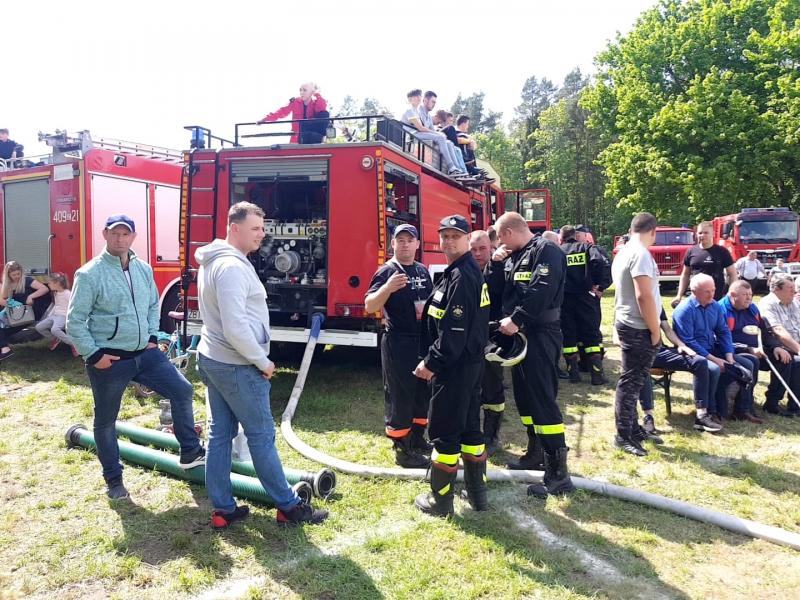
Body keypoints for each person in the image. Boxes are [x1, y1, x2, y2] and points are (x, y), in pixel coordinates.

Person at [195, 202, 328, 527]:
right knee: (261, 435)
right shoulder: (231, 268)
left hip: (215, 357)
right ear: (234, 228)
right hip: (237, 364)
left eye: (262, 227)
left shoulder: (216, 261)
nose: (262, 234)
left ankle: (223, 509)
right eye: (255, 228)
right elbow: (235, 326)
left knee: (220, 434)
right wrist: (261, 360)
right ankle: (289, 506)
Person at [67, 215, 205, 500]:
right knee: (106, 421)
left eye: (125, 234)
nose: (119, 239)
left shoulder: (143, 269)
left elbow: (153, 304)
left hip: (145, 354)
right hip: (111, 360)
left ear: (133, 237)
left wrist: (153, 337)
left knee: (182, 390)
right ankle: (114, 480)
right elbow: (75, 321)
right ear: (104, 234)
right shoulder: (89, 274)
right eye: (114, 233)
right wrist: (94, 355)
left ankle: (190, 451)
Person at [487, 211, 574, 497]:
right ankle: (535, 452)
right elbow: (501, 294)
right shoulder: (513, 256)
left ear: (509, 232)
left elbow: (542, 290)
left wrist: (518, 319)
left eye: (500, 237)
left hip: (540, 333)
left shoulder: (546, 251)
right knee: (524, 398)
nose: (500, 242)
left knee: (542, 398)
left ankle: (558, 473)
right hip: (518, 336)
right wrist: (496, 265)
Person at [413, 215, 490, 516]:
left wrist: (432, 363)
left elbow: (454, 331)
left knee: (445, 433)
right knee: (470, 432)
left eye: (454, 236)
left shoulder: (462, 276)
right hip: (469, 366)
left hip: (454, 368)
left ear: (467, 239)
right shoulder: (458, 272)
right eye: (444, 235)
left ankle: (440, 501)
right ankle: (477, 496)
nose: (447, 241)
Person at [365, 224, 433, 468]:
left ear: (417, 244)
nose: (405, 244)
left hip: (422, 340)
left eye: (409, 240)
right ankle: (402, 450)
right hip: (398, 342)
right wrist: (388, 288)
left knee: (422, 391)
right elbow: (370, 305)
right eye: (400, 240)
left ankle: (417, 439)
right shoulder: (386, 271)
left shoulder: (422, 271)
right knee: (400, 394)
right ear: (393, 244)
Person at [673, 274, 756, 425]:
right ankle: (710, 412)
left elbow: (723, 331)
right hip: (691, 353)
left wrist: (729, 356)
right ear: (694, 291)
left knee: (747, 364)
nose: (712, 294)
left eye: (713, 290)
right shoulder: (684, 310)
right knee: (714, 368)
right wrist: (715, 359)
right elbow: (688, 341)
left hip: (712, 348)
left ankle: (740, 410)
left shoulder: (714, 306)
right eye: (707, 291)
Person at [612, 213, 663, 456]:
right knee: (631, 383)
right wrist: (655, 329)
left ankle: (632, 429)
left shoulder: (623, 251)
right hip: (638, 326)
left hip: (628, 322)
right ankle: (623, 436)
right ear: (653, 231)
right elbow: (644, 295)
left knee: (631, 380)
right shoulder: (640, 254)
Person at [637, 308, 723, 435]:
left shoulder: (656, 302)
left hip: (660, 352)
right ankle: (648, 416)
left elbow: (667, 330)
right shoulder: (630, 303)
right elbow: (617, 334)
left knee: (699, 361)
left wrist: (681, 345)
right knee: (641, 366)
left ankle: (701, 415)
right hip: (639, 353)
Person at [559, 224, 611, 384]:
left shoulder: (558, 251)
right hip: (586, 297)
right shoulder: (586, 247)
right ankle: (596, 375)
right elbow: (599, 262)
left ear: (561, 238)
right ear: (575, 235)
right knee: (591, 334)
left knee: (569, 335)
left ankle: (573, 374)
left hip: (565, 299)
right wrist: (598, 284)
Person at [469, 230, 505, 455]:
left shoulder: (501, 270)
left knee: (493, 387)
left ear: (491, 248)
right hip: (469, 339)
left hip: (492, 338)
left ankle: (491, 436)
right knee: (470, 388)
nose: (478, 253)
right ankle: (472, 432)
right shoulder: (463, 271)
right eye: (473, 249)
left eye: (482, 248)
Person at [718, 280, 773, 423]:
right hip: (727, 351)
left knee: (781, 359)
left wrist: (767, 346)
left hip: (754, 349)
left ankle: (757, 404)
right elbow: (722, 338)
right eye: (745, 295)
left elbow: (762, 329)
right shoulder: (722, 310)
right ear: (733, 295)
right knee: (751, 361)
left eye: (751, 294)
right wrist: (747, 348)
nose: (749, 298)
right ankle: (742, 410)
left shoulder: (753, 308)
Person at [758, 273, 800, 416]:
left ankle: (795, 406)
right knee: (794, 361)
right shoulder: (767, 303)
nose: (794, 291)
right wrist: (798, 349)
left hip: (794, 345)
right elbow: (778, 331)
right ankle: (772, 403)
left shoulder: (794, 303)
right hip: (774, 346)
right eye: (790, 288)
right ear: (777, 288)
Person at [401, 90, 466, 177]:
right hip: (411, 136)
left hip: (418, 134)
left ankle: (458, 170)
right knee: (441, 137)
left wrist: (439, 134)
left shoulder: (423, 114)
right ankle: (451, 168)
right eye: (432, 102)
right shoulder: (413, 111)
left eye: (419, 96)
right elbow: (420, 128)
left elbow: (431, 130)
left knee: (449, 143)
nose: (418, 98)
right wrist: (440, 135)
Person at [672, 221, 737, 306]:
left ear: (712, 234)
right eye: (700, 233)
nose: (702, 235)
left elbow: (732, 274)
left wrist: (730, 294)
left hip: (717, 298)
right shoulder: (691, 251)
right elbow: (685, 275)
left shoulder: (722, 251)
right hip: (696, 298)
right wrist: (679, 295)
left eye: (706, 233)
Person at [0, 260, 51, 360]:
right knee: (3, 330)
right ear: (8, 275)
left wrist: (31, 296)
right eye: (14, 275)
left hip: (29, 314)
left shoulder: (27, 280)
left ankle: (5, 350)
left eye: (18, 273)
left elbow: (44, 289)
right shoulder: (7, 285)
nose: (17, 276)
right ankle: (4, 348)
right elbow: (4, 299)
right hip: (16, 314)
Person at [259, 82, 328, 144]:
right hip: (297, 138)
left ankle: (320, 139)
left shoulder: (316, 102)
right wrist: (265, 119)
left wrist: (317, 95)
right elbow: (281, 112)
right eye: (300, 90)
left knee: (324, 114)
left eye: (304, 90)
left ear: (312, 92)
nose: (301, 92)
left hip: (311, 138)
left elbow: (322, 110)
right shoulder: (295, 101)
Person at [35, 272, 78, 356]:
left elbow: (74, 306)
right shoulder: (56, 293)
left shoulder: (67, 294)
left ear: (57, 283)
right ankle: (56, 339)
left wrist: (72, 319)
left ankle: (74, 344)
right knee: (39, 327)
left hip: (63, 316)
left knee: (55, 329)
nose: (48, 284)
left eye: (50, 283)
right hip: (55, 316)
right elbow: (56, 305)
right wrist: (49, 316)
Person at [432, 109, 470, 175]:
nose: (451, 122)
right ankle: (465, 167)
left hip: (449, 143)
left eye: (452, 121)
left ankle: (464, 171)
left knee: (453, 146)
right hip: (439, 137)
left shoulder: (450, 130)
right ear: (445, 120)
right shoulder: (439, 128)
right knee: (451, 129)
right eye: (450, 120)